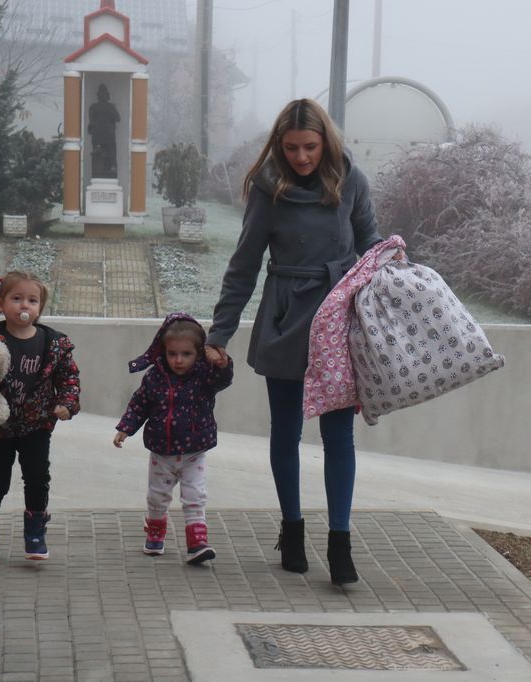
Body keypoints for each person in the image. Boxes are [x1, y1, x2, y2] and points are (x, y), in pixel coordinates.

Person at [205, 98, 397, 585]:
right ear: (279, 146)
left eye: (310, 147)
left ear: (326, 142)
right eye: (291, 148)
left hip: (336, 318)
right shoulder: (267, 189)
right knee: (285, 430)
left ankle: (340, 544)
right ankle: (292, 529)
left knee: (338, 436)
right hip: (286, 316)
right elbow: (244, 264)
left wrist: (395, 268)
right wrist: (220, 334)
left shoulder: (350, 179)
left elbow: (368, 239)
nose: (301, 157)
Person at [0, 271, 80, 563]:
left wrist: (67, 403)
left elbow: (69, 378)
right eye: (17, 298)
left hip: (37, 425)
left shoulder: (54, 344)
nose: (25, 306)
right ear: (0, 303)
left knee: (37, 477)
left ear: (40, 307)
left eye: (32, 300)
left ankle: (35, 533)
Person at [113, 313, 233, 565]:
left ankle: (197, 542)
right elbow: (140, 404)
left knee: (195, 495)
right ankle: (156, 529)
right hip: (161, 453)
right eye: (172, 354)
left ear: (198, 353)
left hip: (194, 452)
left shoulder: (204, 375)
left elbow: (222, 381)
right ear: (163, 351)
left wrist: (222, 364)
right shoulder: (155, 377)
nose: (178, 360)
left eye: (186, 354)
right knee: (157, 496)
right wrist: (126, 427)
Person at [88, 83, 120, 178]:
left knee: (98, 158)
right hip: (109, 137)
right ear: (107, 96)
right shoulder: (111, 107)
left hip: (97, 137)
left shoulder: (93, 107)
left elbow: (91, 123)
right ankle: (111, 170)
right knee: (111, 157)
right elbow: (118, 118)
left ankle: (99, 173)